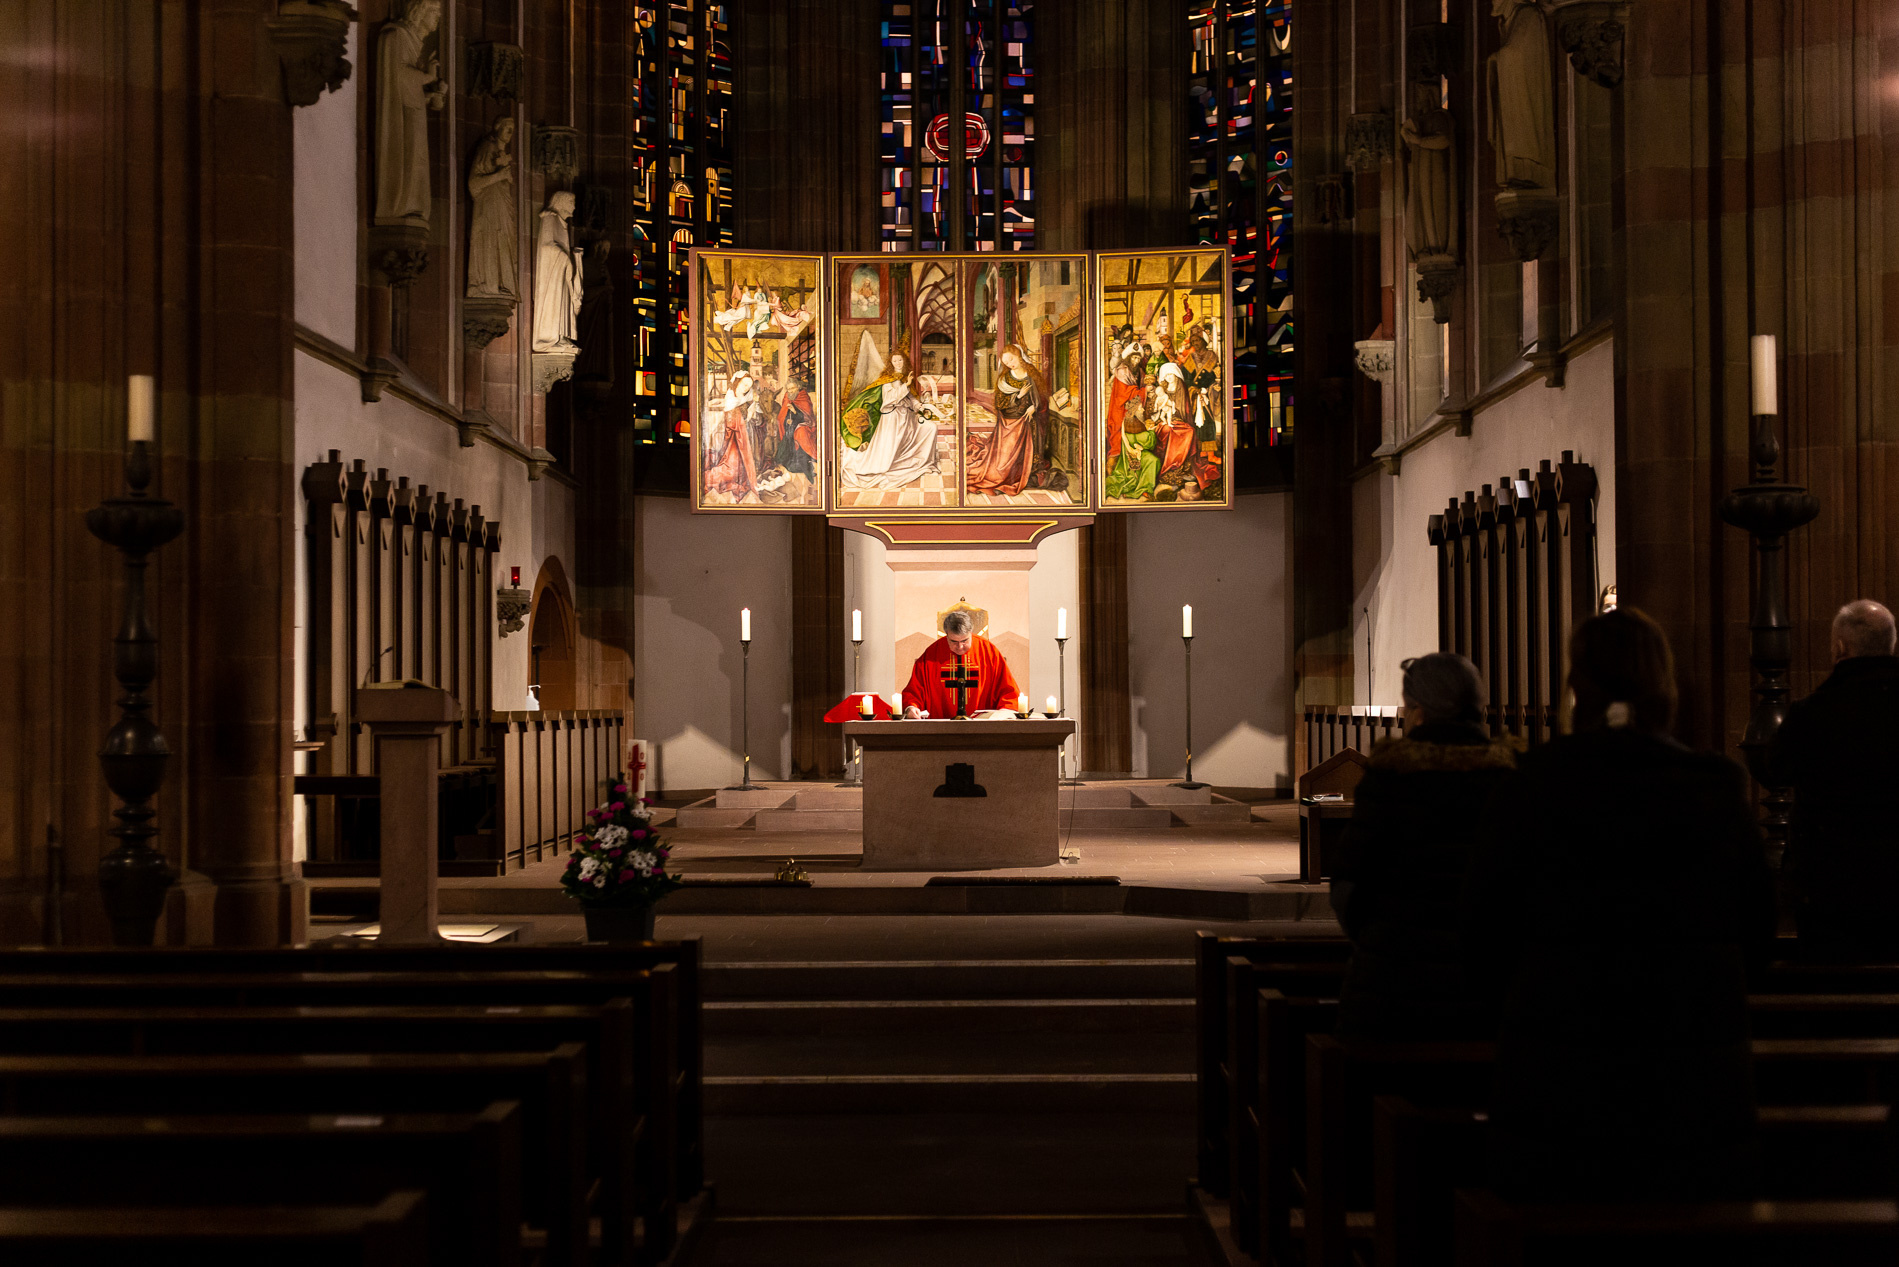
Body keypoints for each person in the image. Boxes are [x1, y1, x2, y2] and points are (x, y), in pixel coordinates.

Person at [1464, 608, 1776, 1201]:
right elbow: (1757, 936)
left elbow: (1483, 935)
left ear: (1577, 686)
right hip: (1694, 1087)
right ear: (1665, 684)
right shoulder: (1716, 789)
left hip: (1558, 1081)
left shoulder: (1530, 787)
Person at [1332, 654, 1516, 1039]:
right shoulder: (1511, 781)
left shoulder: (1390, 779)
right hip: (1489, 991)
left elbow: (1349, 886)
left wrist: (1378, 938)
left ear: (1417, 712)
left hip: (1394, 990)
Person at [1767, 599, 1899, 959]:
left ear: (1839, 647)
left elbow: (1772, 770)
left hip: (1829, 888)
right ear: (1892, 645)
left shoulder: (1812, 714)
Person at [840, 350, 938, 490]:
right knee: (889, 454)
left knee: (931, 428)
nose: (898, 363)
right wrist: (907, 384)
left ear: (904, 361)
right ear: (891, 363)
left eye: (900, 360)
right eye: (895, 361)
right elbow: (891, 399)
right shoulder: (888, 379)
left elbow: (908, 397)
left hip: (907, 417)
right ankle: (903, 462)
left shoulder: (902, 377)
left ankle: (924, 458)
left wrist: (918, 405)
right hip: (893, 420)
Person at [901, 610, 1022, 719]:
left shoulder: (988, 652)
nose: (959, 646)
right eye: (953, 641)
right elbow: (914, 691)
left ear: (971, 633)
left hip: (983, 729)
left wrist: (1005, 712)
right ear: (946, 634)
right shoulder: (932, 654)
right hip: (941, 730)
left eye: (964, 640)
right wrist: (911, 708)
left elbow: (1008, 691)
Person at [967, 345, 1043, 496]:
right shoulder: (1005, 379)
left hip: (1027, 423)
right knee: (1002, 460)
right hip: (1008, 423)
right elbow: (1000, 404)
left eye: (1011, 359)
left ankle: (1021, 473)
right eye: (1006, 362)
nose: (1009, 364)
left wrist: (1034, 407)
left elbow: (1041, 396)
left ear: (1019, 355)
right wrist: (1018, 396)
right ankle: (1005, 476)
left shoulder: (1032, 374)